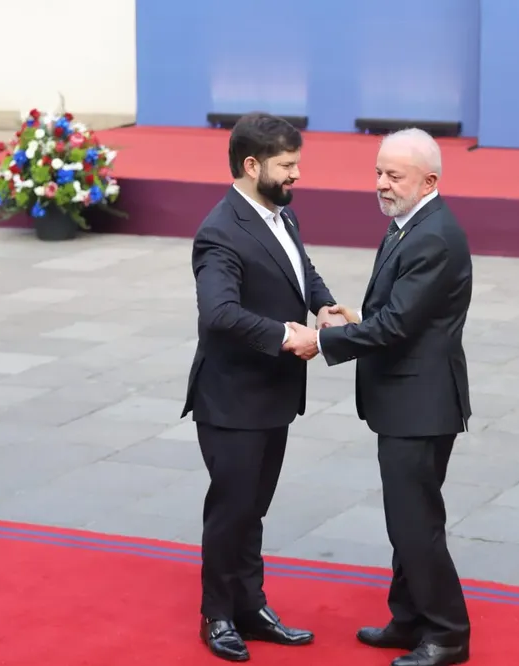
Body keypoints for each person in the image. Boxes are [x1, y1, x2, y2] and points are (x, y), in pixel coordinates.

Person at [284, 128, 472, 666]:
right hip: (408, 399)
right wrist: (356, 320)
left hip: (421, 404)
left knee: (416, 522)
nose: (382, 185)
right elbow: (404, 317)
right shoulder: (409, 225)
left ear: (429, 180)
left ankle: (447, 632)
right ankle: (410, 618)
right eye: (378, 172)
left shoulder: (433, 235)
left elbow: (395, 327)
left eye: (395, 176)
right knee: (407, 517)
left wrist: (321, 341)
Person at [182, 112, 345, 662]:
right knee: (231, 509)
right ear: (252, 166)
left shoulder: (280, 216)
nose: (297, 174)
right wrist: (284, 336)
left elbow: (301, 269)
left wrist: (322, 304)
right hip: (232, 399)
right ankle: (219, 614)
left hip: (272, 394)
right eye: (287, 165)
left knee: (254, 507)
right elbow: (219, 313)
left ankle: (251, 604)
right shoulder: (220, 231)